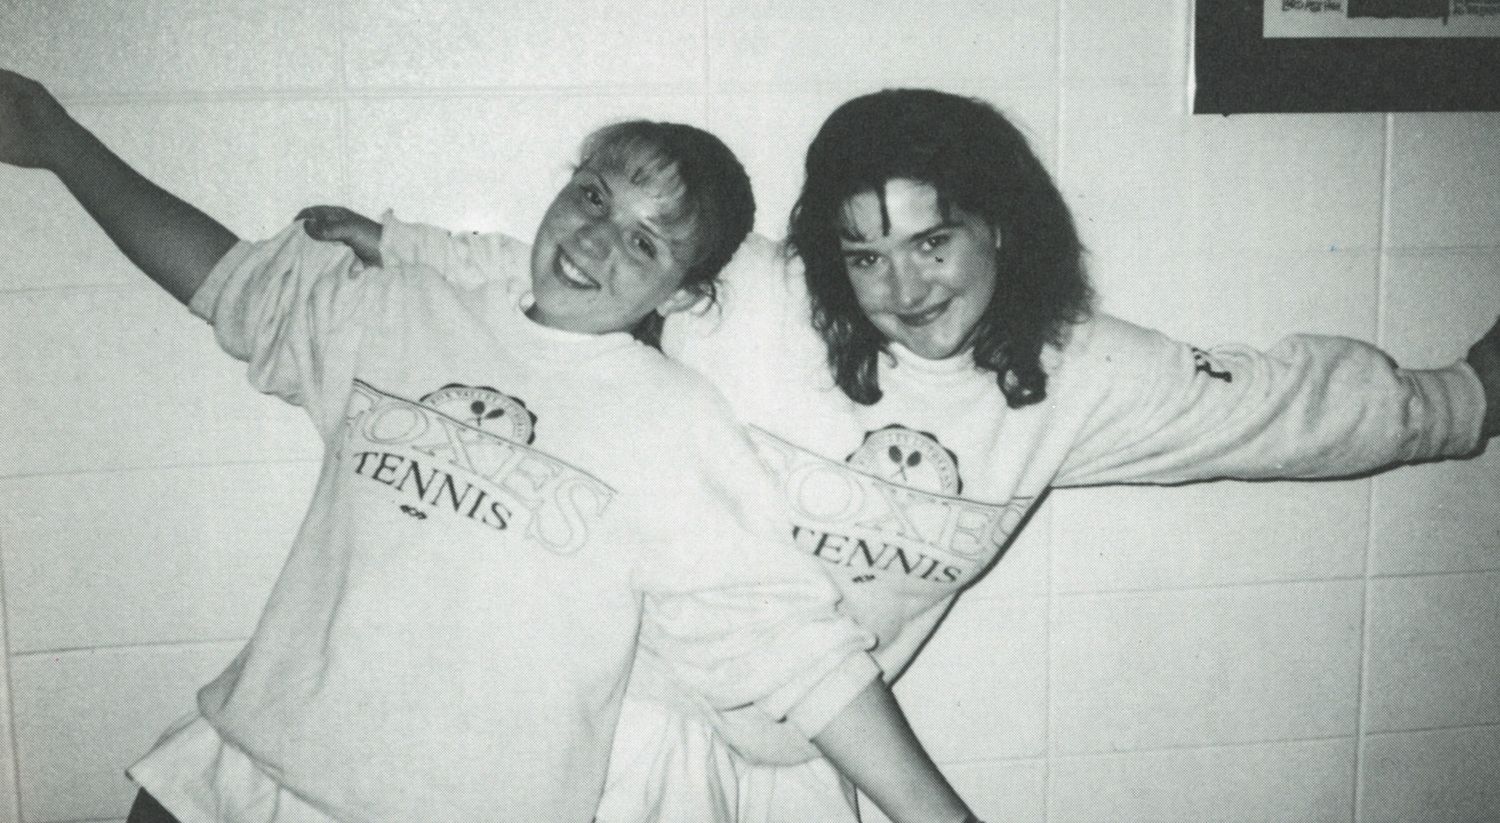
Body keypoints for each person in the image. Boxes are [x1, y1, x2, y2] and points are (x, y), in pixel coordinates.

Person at [313, 87, 1500, 822]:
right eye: (866, 255)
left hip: (808, 761)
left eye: (934, 243)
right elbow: (583, 279)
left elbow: (1286, 407)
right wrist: (406, 247)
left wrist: (1465, 401)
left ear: (1001, 226)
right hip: (619, 727)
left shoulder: (1083, 376)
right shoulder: (764, 303)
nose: (902, 288)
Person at [0, 70, 986, 823]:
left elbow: (798, 653)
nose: (596, 242)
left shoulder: (673, 424)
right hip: (236, 783)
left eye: (646, 242)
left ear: (684, 295)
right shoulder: (405, 313)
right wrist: (58, 142)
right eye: (594, 198)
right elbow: (225, 282)